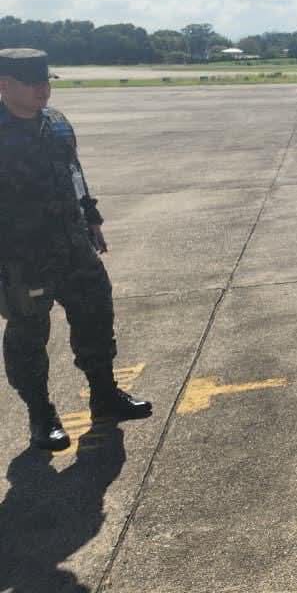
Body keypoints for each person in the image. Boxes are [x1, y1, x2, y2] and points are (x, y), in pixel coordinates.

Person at [0, 48, 152, 452]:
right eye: (32, 84)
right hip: (21, 258)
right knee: (29, 336)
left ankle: (105, 395)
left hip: (74, 245)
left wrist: (92, 216)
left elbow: (74, 173)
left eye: (46, 82)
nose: (42, 91)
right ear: (4, 85)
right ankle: (40, 413)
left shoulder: (57, 124)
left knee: (97, 316)